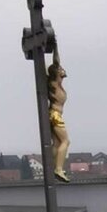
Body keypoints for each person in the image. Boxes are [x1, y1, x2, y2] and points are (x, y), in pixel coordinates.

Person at [47, 49, 71, 183]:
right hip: (56, 115)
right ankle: (58, 168)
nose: (63, 70)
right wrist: (55, 49)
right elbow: (56, 62)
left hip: (55, 115)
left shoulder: (58, 85)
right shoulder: (54, 84)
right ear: (56, 72)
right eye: (61, 69)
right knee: (66, 141)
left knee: (56, 143)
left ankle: (53, 166)